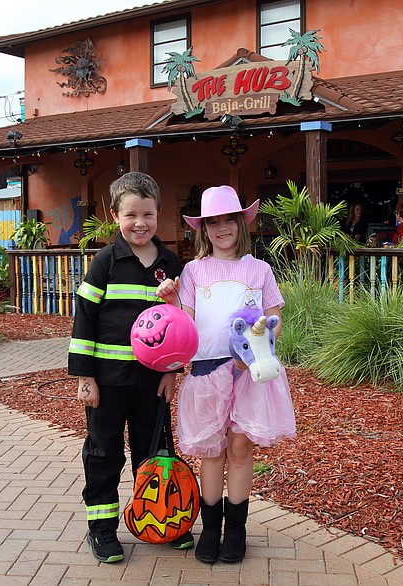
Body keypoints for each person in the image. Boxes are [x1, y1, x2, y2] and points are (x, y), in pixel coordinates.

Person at [157, 185, 296, 564]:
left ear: (241, 223)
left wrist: (260, 340)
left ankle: (236, 530)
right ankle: (211, 528)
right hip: (206, 374)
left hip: (248, 371)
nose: (222, 229)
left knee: (239, 448)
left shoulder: (258, 269)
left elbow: (274, 316)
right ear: (203, 229)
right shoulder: (193, 271)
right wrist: (172, 302)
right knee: (213, 450)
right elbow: (186, 324)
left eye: (228, 220)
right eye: (212, 222)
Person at [68, 172, 192, 564]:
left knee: (154, 453)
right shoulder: (105, 262)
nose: (141, 223)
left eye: (149, 214)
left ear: (159, 215)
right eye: (132, 215)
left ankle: (161, 519)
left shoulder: (170, 262)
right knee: (104, 455)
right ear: (115, 215)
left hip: (151, 385)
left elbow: (179, 323)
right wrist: (86, 377)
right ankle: (102, 530)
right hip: (107, 381)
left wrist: (172, 371)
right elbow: (84, 320)